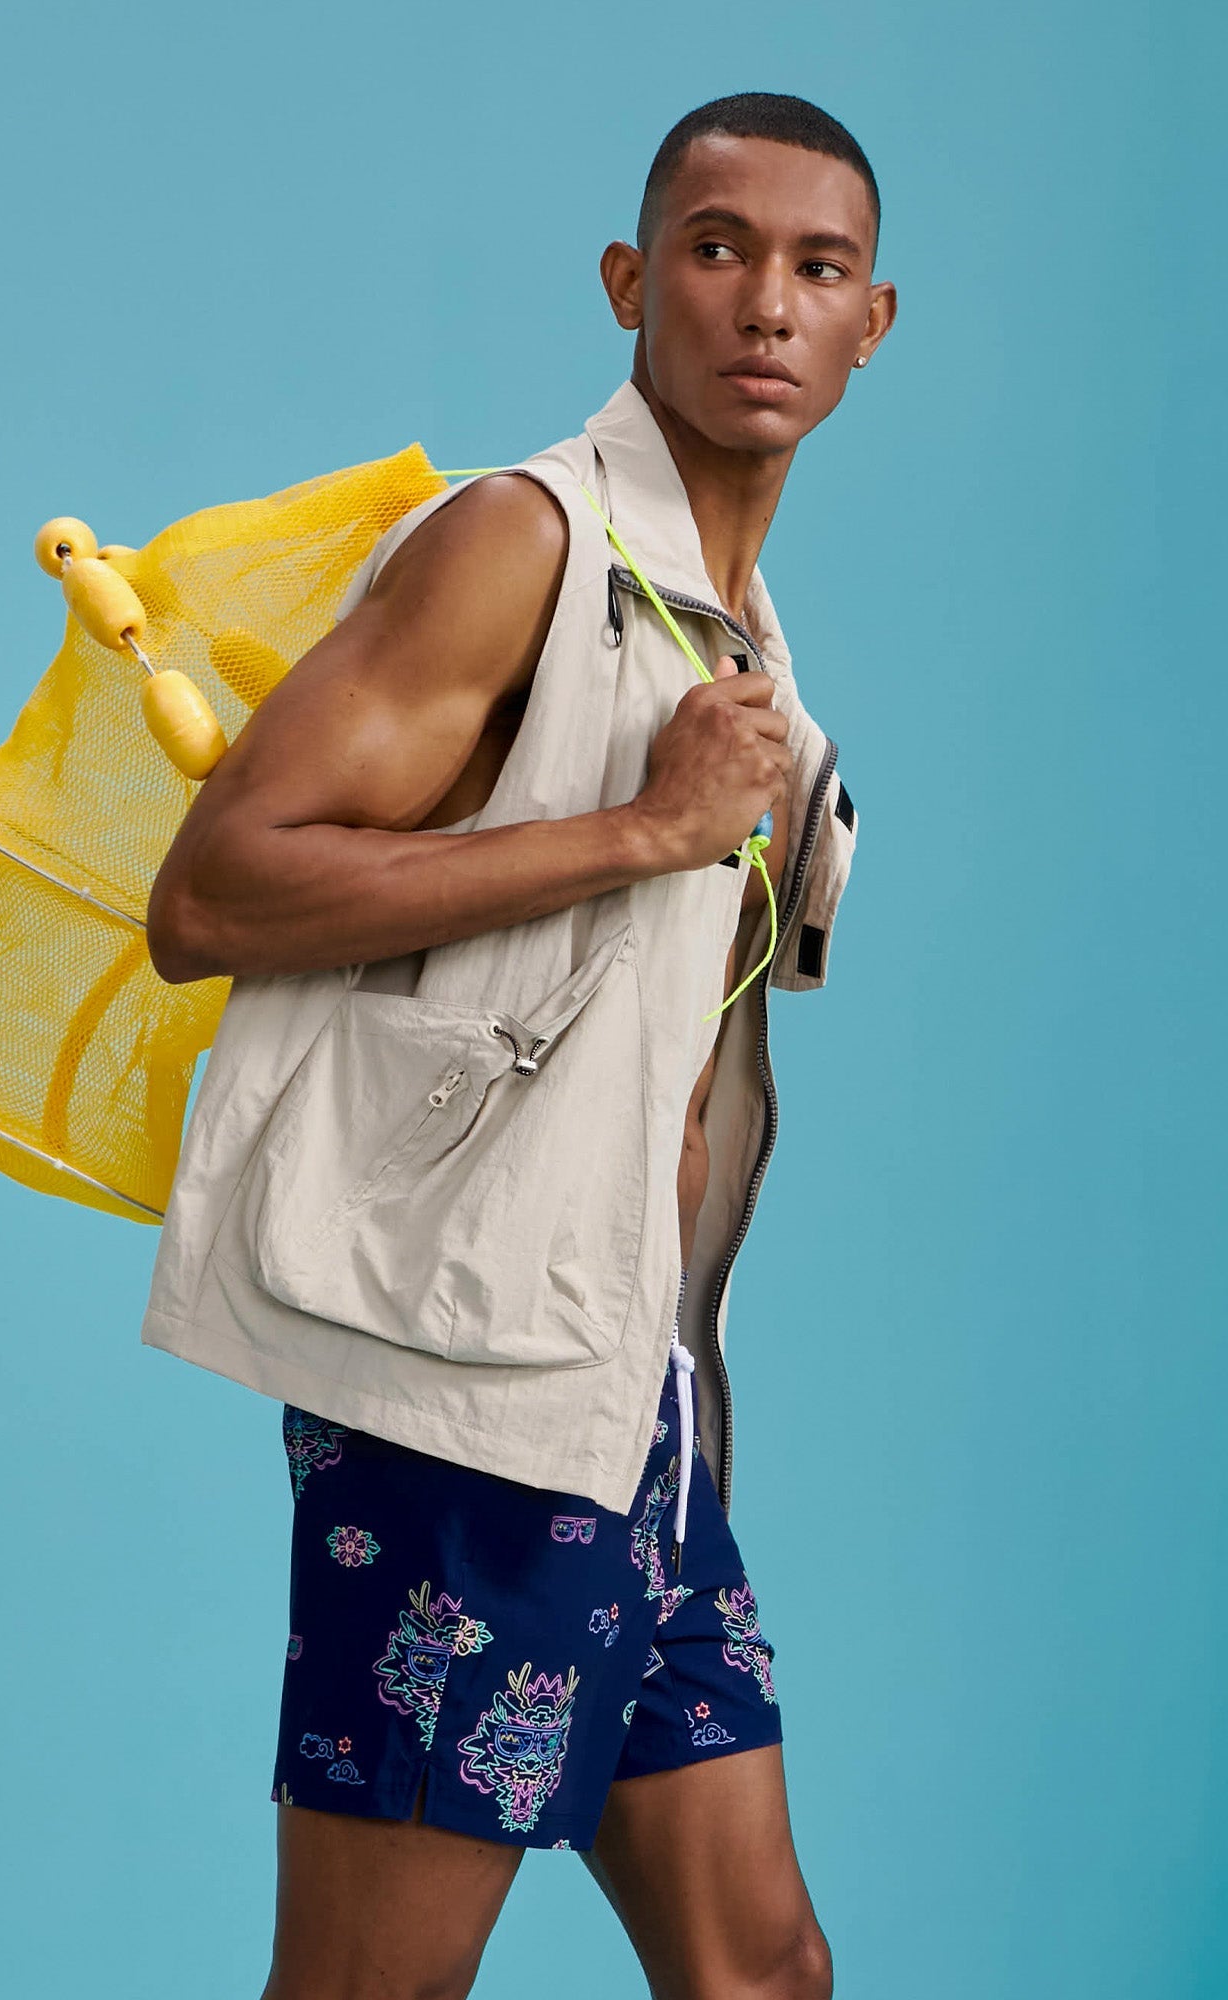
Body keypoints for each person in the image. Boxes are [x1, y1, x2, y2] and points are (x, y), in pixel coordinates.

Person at [145, 91, 894, 2000]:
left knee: (763, 1967)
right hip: (462, 1403)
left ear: (871, 323)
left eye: (818, 269)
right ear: (632, 283)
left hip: (627, 1390)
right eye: (718, 251)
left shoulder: (741, 637)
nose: (767, 304)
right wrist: (642, 831)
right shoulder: (520, 543)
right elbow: (214, 892)